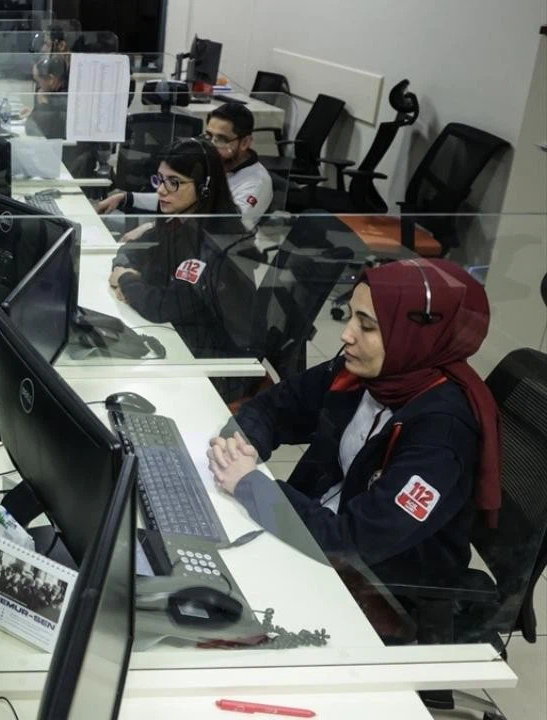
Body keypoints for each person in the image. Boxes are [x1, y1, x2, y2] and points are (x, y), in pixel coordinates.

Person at [206, 259, 501, 594]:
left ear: (415, 336)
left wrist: (250, 486)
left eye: (367, 326)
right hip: (315, 531)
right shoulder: (365, 373)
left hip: (379, 586)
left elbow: (352, 544)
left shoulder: (443, 436)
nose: (346, 334)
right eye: (350, 317)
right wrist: (241, 445)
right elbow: (274, 406)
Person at [107, 138, 255, 400]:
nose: (161, 190)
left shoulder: (216, 242)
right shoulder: (179, 221)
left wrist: (126, 279)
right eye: (160, 179)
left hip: (217, 368)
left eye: (174, 182)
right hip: (183, 336)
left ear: (205, 187)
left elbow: (161, 307)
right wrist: (125, 270)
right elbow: (131, 248)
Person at [96, 102, 273, 229]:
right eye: (208, 136)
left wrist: (150, 229)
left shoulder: (256, 182)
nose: (211, 145)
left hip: (218, 255)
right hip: (185, 239)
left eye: (220, 139)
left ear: (245, 142)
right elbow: (178, 198)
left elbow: (227, 226)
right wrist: (127, 198)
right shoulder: (213, 163)